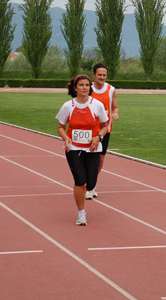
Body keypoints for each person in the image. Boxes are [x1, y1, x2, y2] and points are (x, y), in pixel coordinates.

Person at [56, 74, 108, 225]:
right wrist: (66, 139)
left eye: (87, 85)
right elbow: (60, 127)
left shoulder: (96, 105)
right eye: (81, 85)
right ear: (75, 88)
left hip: (93, 148)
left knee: (90, 183)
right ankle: (81, 213)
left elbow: (105, 126)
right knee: (80, 181)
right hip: (73, 148)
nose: (85, 88)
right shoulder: (68, 106)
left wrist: (98, 137)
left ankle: (88, 192)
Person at [86, 63, 119, 200]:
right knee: (89, 159)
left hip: (105, 130)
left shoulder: (111, 89)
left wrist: (115, 114)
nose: (102, 77)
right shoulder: (88, 89)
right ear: (93, 75)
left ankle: (92, 185)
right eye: (99, 75)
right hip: (89, 129)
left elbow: (115, 107)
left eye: (104, 75)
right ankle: (87, 185)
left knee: (100, 160)